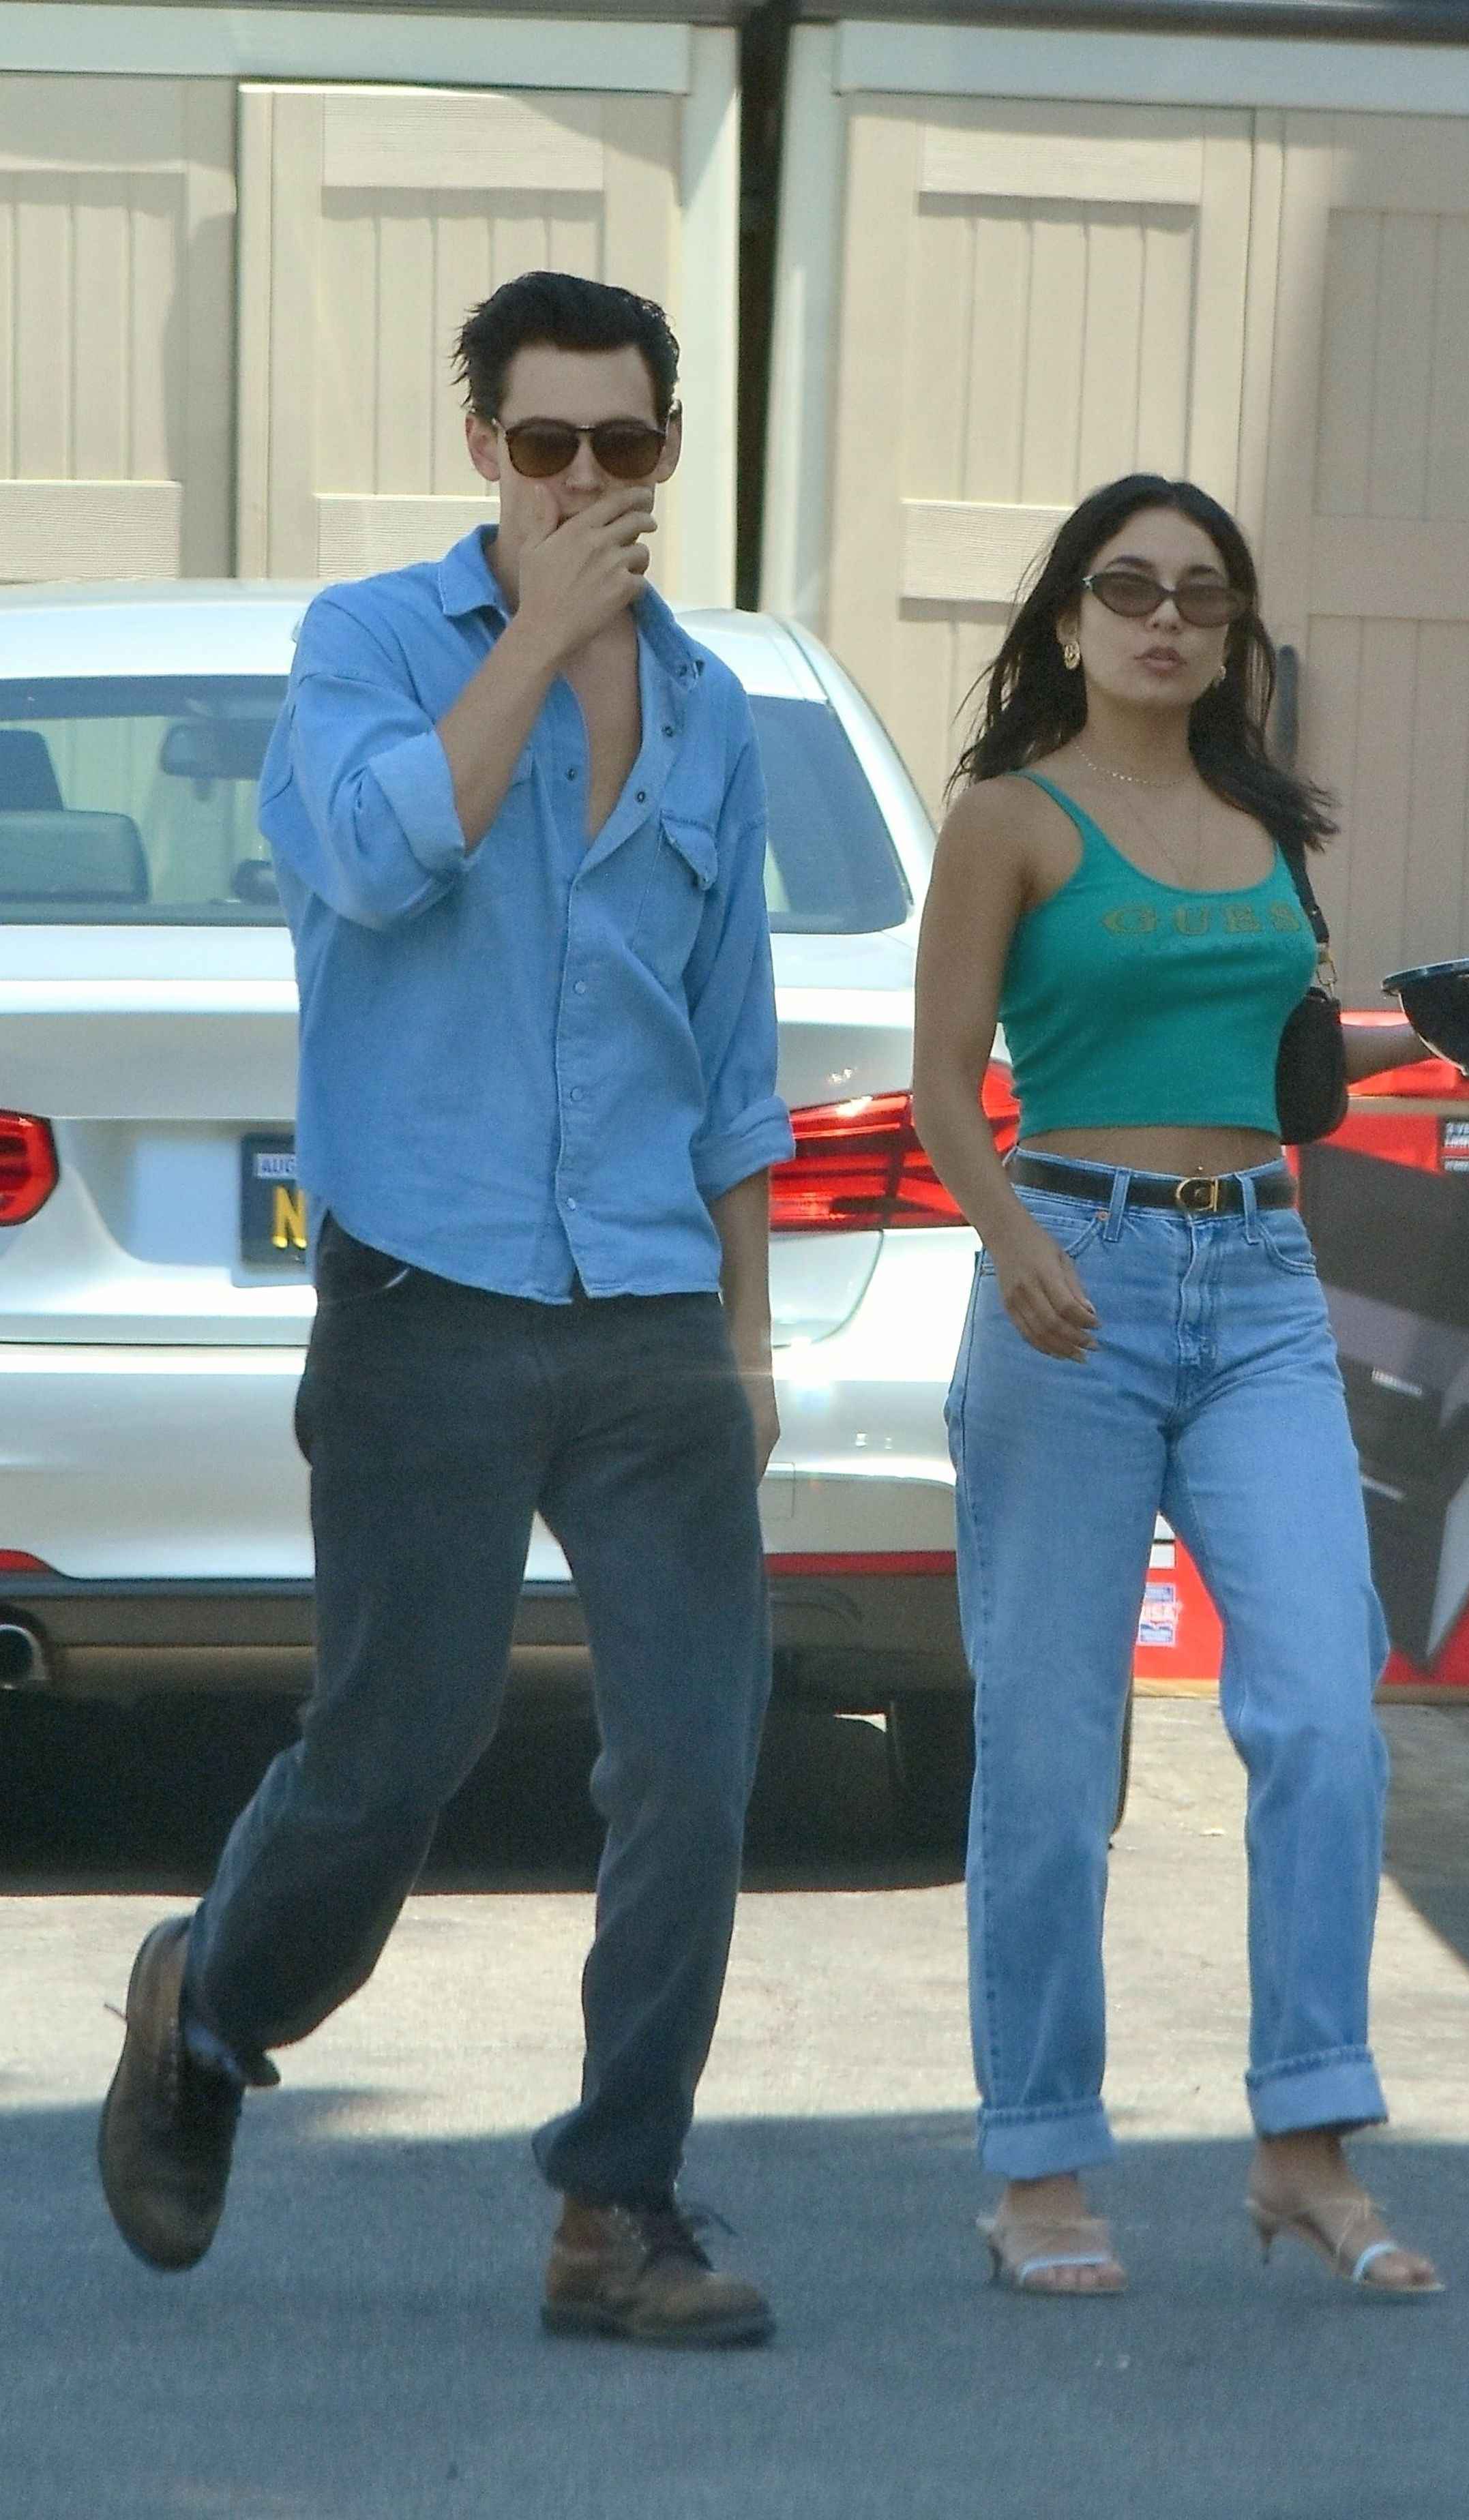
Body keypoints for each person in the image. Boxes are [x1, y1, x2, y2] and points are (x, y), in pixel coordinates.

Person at [98, 271, 790, 2348]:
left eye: (625, 445)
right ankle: (209, 2004)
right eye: (545, 441)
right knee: (400, 1743)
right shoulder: (369, 648)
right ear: (483, 443)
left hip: (650, 1300)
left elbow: (732, 1053)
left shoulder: (715, 712)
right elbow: (380, 858)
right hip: (428, 1290)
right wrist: (540, 642)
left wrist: (750, 1339)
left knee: (697, 1762)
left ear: (669, 454)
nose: (585, 480)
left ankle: (617, 2206)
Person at [912, 472, 1469, 2302]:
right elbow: (943, 1080)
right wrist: (1010, 1236)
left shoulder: (1263, 820)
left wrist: (1467, 1041)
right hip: (1074, 1280)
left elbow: (1280, 1066)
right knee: (1049, 1748)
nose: (1164, 617)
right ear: (1068, 619)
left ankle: (1304, 2142)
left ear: (1235, 631)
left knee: (1324, 1709)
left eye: (1201, 593)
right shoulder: (1009, 818)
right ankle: (1038, 2170)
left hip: (1260, 1281)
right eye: (1127, 587)